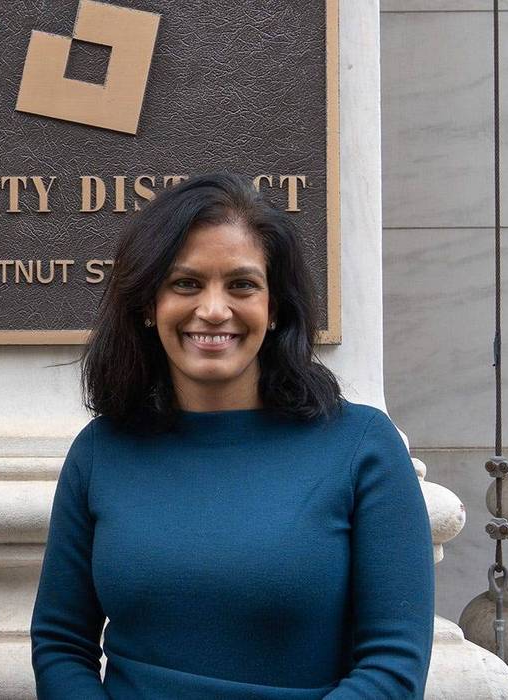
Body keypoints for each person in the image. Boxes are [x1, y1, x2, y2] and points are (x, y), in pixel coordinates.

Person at [30, 172, 433, 698]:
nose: (214, 310)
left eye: (241, 284)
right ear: (149, 306)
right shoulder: (100, 452)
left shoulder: (362, 447)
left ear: (276, 308)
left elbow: (393, 666)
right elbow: (61, 644)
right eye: (186, 284)